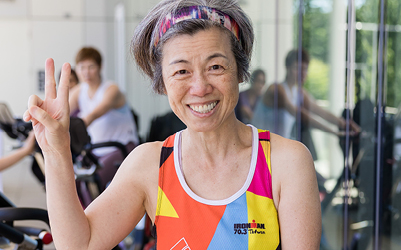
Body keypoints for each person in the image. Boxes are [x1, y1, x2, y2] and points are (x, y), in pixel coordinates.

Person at [23, 0, 321, 249]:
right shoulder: (151, 164)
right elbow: (80, 245)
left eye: (216, 66)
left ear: (240, 71)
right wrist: (56, 152)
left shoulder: (285, 162)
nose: (200, 87)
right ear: (162, 83)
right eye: (181, 71)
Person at [68, 47, 139, 191]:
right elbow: (62, 111)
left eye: (91, 67)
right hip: (96, 150)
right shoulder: (79, 91)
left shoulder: (111, 89)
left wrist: (77, 127)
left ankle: (93, 212)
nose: (86, 72)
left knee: (93, 178)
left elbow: (94, 114)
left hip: (121, 147)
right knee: (71, 177)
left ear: (100, 67)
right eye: (82, 68)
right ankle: (84, 212)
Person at [253, 49, 360, 144]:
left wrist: (345, 124)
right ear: (287, 68)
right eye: (297, 68)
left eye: (305, 69)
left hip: (274, 147)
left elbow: (320, 112)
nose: (302, 73)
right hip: (260, 146)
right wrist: (335, 132)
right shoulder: (276, 89)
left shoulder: (299, 92)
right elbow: (301, 115)